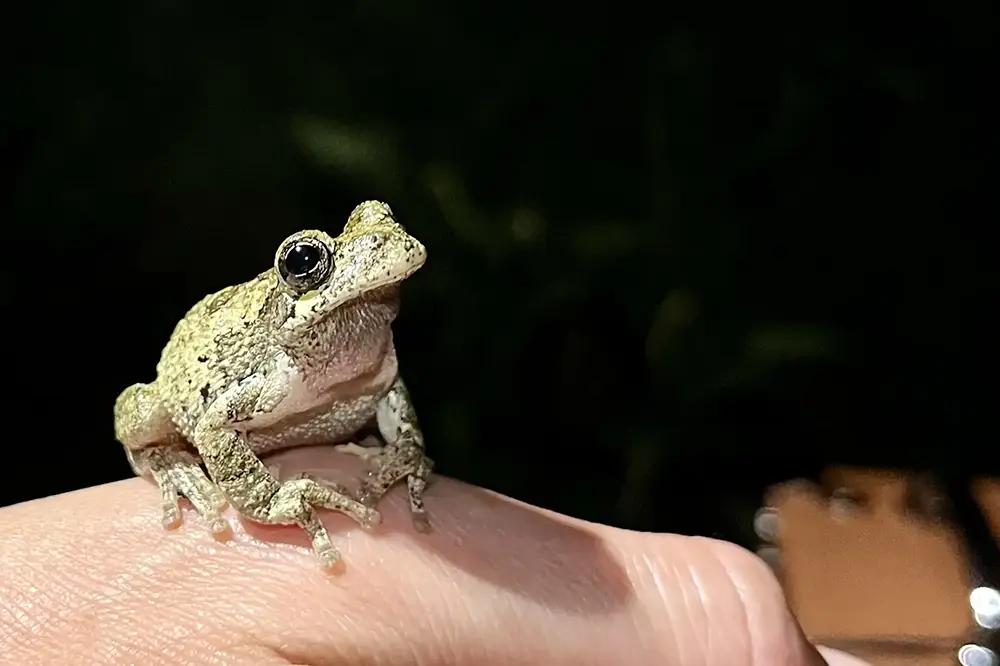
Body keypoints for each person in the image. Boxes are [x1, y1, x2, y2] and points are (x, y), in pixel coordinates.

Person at [0, 447, 867, 665]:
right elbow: (205, 414)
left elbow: (386, 393)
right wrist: (268, 501)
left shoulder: (365, 354)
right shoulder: (257, 350)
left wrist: (400, 456)